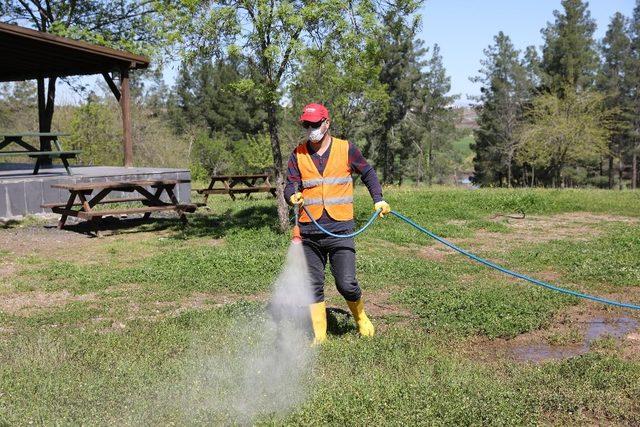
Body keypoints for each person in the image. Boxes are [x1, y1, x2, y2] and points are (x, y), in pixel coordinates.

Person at [284, 103, 391, 345]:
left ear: (326, 123)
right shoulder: (297, 153)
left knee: (346, 282)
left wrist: (379, 199)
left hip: (340, 229)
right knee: (313, 284)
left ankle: (361, 317)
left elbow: (368, 173)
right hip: (309, 231)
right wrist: (292, 195)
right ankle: (320, 337)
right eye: (306, 124)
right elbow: (290, 184)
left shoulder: (346, 149)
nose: (310, 128)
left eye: (314, 124)